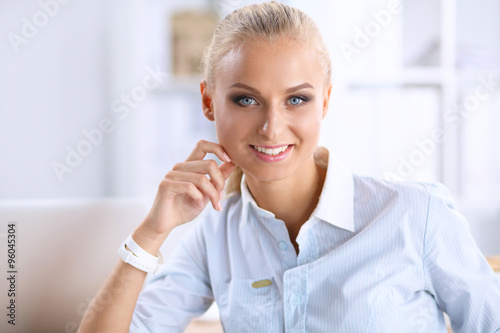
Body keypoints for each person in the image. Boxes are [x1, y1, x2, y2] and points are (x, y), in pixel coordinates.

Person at [78, 2, 500, 332]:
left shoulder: (416, 214)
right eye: (245, 99)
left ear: (326, 101)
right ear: (208, 101)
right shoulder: (216, 235)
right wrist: (152, 233)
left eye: (296, 99)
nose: (271, 127)